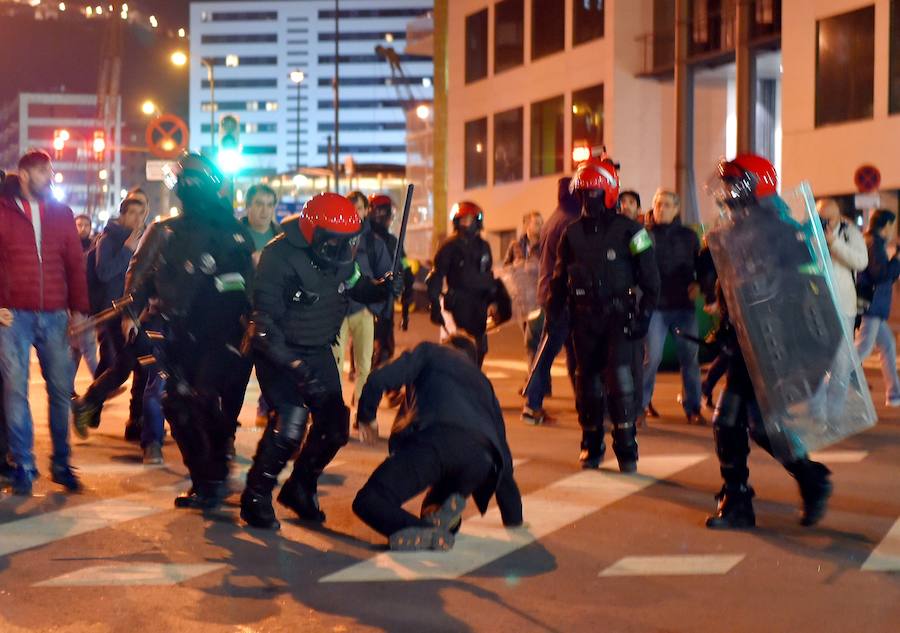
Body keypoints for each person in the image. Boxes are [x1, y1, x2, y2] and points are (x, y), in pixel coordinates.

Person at [239, 192, 401, 530]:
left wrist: (384, 287)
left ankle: (301, 486)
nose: (343, 252)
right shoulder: (278, 257)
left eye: (348, 244)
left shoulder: (341, 256)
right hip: (279, 352)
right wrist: (295, 368)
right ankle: (256, 495)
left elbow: (357, 286)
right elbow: (263, 325)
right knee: (291, 422)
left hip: (318, 347)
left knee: (334, 425)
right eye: (336, 244)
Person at [704, 153, 833, 529]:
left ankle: (810, 478)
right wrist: (721, 332)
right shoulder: (729, 232)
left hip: (775, 342)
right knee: (730, 422)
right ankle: (738, 501)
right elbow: (730, 288)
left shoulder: (780, 229)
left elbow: (808, 287)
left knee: (757, 425)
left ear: (755, 186)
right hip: (744, 343)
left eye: (735, 183)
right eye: (726, 184)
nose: (727, 192)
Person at [123, 153, 255, 508]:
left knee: (209, 402)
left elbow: (252, 285)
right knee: (179, 403)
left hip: (226, 336)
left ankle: (216, 473)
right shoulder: (166, 231)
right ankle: (206, 480)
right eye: (186, 179)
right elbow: (139, 275)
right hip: (180, 334)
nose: (191, 187)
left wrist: (255, 327)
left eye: (197, 180)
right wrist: (131, 314)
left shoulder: (235, 232)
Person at [353, 335, 523, 551]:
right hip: (481, 460)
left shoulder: (431, 352)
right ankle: (441, 512)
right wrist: (513, 515)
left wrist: (366, 417)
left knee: (370, 500)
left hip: (436, 441)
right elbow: (503, 455)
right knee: (432, 505)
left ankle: (423, 531)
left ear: (448, 347)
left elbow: (379, 379)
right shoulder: (483, 382)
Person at [547, 158, 660, 471]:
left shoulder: (632, 230)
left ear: (609, 193)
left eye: (594, 193)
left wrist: (644, 315)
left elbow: (651, 279)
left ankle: (627, 448)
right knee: (588, 385)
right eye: (584, 194)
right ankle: (591, 443)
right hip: (584, 319)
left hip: (620, 317)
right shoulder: (571, 234)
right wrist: (553, 311)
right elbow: (558, 278)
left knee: (622, 384)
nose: (588, 200)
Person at [0, 150, 90, 495]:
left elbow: (74, 264)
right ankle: (23, 464)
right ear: (23, 175)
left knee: (60, 391)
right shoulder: (4, 212)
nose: (49, 177)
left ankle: (61, 463)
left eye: (50, 171)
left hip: (54, 314)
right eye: (42, 171)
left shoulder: (61, 214)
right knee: (15, 391)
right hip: (14, 316)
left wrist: (79, 309)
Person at [71, 197, 148, 439]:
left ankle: (92, 409)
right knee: (124, 365)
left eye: (141, 213)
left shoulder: (144, 240)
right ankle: (86, 403)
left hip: (132, 311)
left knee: (115, 362)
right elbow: (104, 272)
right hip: (111, 312)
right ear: (122, 215)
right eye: (132, 213)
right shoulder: (109, 239)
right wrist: (127, 249)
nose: (137, 218)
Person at [640, 189, 705, 425]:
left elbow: (702, 264)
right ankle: (642, 404)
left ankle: (693, 407)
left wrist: (700, 284)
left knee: (690, 358)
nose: (661, 209)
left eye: (667, 205)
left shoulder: (689, 236)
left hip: (683, 306)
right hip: (655, 307)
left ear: (676, 209)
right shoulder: (642, 235)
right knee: (652, 358)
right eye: (658, 204)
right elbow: (634, 267)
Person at [521, 178, 581, 425]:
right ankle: (532, 403)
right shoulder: (570, 220)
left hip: (551, 293)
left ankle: (581, 402)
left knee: (570, 352)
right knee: (550, 352)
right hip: (561, 295)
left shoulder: (556, 217)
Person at [335, 191, 392, 405]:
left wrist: (378, 310)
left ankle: (360, 406)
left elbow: (385, 276)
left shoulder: (373, 243)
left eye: (359, 208)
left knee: (364, 365)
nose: (355, 213)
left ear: (366, 210)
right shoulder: (335, 238)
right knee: (335, 363)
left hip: (363, 309)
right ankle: (335, 409)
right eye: (351, 208)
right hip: (338, 311)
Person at [426, 201, 499, 367]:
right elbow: (436, 276)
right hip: (456, 305)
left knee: (480, 349)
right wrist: (435, 305)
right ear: (456, 222)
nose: (467, 224)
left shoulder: (484, 247)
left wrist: (494, 301)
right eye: (463, 219)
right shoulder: (449, 246)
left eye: (470, 219)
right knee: (456, 350)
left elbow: (488, 276)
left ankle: (473, 383)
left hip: (478, 306)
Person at [816, 198, 867, 414]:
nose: (824, 222)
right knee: (815, 361)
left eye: (828, 219)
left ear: (838, 218)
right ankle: (817, 411)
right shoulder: (811, 231)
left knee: (842, 363)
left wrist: (834, 243)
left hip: (844, 304)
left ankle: (834, 414)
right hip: (816, 305)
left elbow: (861, 262)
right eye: (821, 218)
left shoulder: (849, 233)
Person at [240, 183, 283, 427]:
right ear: (248, 206)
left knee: (272, 367)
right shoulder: (236, 234)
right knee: (237, 371)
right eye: (258, 204)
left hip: (271, 313)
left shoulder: (281, 237)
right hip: (240, 312)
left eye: (269, 204)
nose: (264, 210)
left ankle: (266, 410)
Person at [855, 209, 900, 407]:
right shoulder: (874, 244)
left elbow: (885, 275)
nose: (894, 230)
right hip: (871, 307)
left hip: (874, 306)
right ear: (887, 225)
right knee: (861, 350)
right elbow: (880, 274)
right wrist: (897, 258)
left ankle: (894, 394)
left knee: (888, 346)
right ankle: (828, 383)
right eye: (893, 225)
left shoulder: (874, 243)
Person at [368, 193, 411, 362]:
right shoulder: (363, 239)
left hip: (386, 299)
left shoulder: (394, 241)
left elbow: (405, 265)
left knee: (385, 344)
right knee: (368, 342)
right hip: (367, 298)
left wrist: (408, 279)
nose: (387, 217)